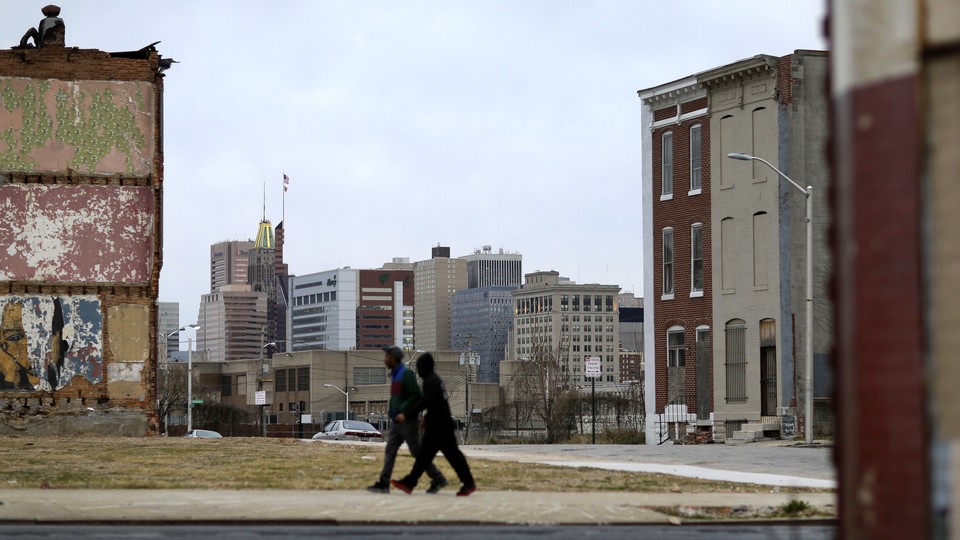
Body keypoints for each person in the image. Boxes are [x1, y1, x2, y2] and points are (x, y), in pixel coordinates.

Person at [391, 353, 476, 497]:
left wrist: (406, 414)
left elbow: (426, 401)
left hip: (439, 426)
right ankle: (410, 482)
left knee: (447, 455)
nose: (418, 371)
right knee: (429, 455)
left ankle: (468, 483)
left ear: (424, 368)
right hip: (440, 423)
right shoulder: (435, 380)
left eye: (419, 368)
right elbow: (435, 403)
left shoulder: (430, 381)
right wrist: (426, 417)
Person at [366, 347, 448, 494]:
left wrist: (403, 410)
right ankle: (384, 482)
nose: (384, 359)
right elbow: (398, 397)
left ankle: (438, 477)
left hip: (408, 421)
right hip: (397, 422)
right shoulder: (395, 375)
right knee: (390, 449)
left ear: (393, 358)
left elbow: (416, 395)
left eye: (387, 356)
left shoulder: (406, 374)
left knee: (416, 451)